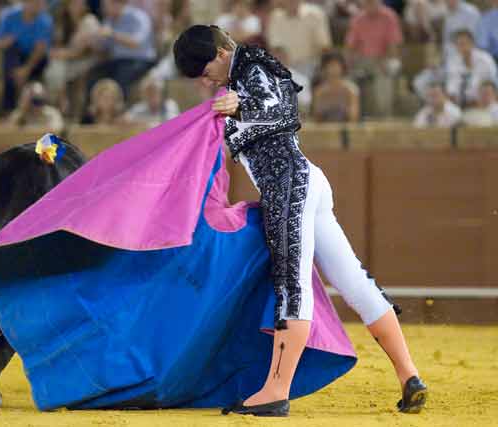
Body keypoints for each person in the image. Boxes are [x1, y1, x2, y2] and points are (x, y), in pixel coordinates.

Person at [173, 24, 427, 417]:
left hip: (289, 186)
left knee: (292, 284)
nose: (206, 81)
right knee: (354, 281)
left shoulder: (251, 65)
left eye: (205, 70)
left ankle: (276, 390)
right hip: (304, 182)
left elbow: (283, 111)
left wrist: (240, 106)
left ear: (221, 53)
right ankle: (409, 375)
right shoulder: (240, 79)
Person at [83, 0, 157, 103]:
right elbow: (104, 47)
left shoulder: (139, 17)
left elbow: (136, 43)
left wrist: (112, 34)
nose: (103, 8)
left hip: (140, 60)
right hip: (118, 61)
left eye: (106, 5)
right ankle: (91, 114)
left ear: (118, 3)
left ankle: (118, 112)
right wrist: (91, 42)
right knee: (94, 74)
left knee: (121, 78)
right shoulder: (109, 20)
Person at [345, 0, 403, 117]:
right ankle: (353, 117)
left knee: (385, 74)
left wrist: (381, 61)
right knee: (347, 78)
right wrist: (349, 63)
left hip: (385, 59)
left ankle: (384, 116)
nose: (370, 4)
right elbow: (350, 47)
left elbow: (394, 48)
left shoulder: (389, 17)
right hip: (363, 60)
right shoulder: (358, 19)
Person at [0, 0, 54, 111]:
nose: (38, 5)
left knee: (38, 63)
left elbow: (40, 49)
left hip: (35, 60)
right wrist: (6, 42)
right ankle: (9, 108)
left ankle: (37, 105)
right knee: (11, 53)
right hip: (15, 59)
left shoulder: (45, 21)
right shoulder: (9, 16)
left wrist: (26, 69)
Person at [266, 0, 332, 78]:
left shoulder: (315, 15)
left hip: (311, 68)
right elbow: (274, 48)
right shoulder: (275, 17)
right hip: (283, 69)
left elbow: (324, 47)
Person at [444, 30, 498, 108]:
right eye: (458, 44)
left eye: (464, 43)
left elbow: (493, 85)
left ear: (472, 43)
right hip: (459, 103)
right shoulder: (452, 61)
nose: (462, 47)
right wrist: (452, 97)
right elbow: (451, 85)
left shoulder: (485, 60)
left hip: (483, 102)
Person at [311, 50, 360, 122]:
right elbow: (316, 118)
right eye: (330, 66)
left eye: (336, 65)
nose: (333, 69)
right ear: (324, 68)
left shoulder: (351, 90)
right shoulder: (319, 92)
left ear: (342, 67)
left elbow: (353, 118)